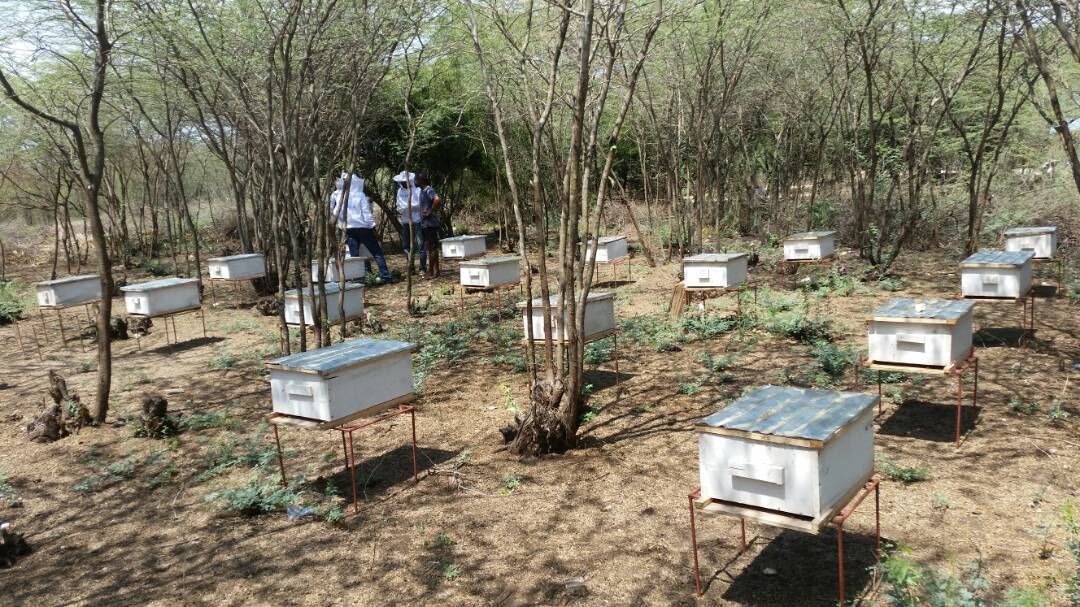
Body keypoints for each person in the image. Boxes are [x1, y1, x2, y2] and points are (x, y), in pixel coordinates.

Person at [329, 172, 392, 283]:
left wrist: (342, 225)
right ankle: (385, 276)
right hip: (363, 228)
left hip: (349, 229)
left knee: (355, 256)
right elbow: (366, 214)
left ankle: (359, 278)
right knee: (377, 253)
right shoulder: (359, 195)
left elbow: (335, 212)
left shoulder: (339, 196)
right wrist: (373, 228)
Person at [393, 171, 426, 275]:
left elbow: (421, 205)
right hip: (405, 221)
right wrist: (402, 209)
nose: (402, 183)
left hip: (416, 221)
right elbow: (398, 206)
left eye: (404, 181)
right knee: (406, 245)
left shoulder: (417, 190)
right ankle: (410, 267)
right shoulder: (400, 191)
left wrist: (410, 207)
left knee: (420, 245)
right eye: (401, 181)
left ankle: (422, 268)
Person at [415, 173, 442, 278]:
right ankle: (436, 271)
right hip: (426, 224)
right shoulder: (422, 191)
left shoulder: (428, 190)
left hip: (430, 224)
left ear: (421, 180)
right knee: (431, 247)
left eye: (416, 180)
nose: (414, 182)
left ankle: (430, 272)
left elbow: (437, 199)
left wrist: (430, 211)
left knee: (432, 248)